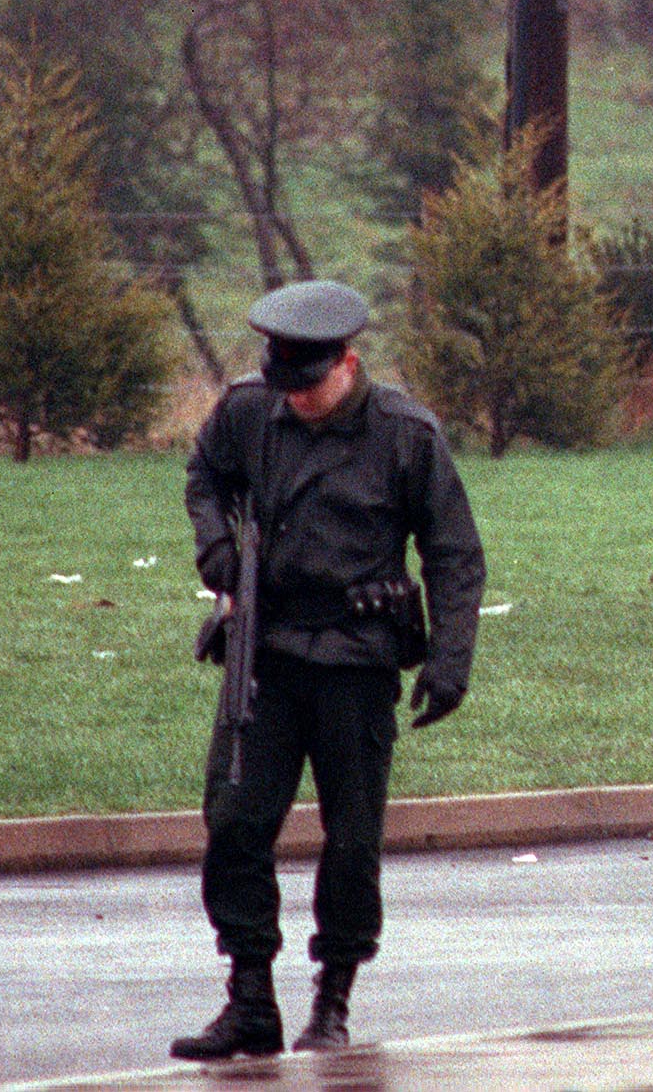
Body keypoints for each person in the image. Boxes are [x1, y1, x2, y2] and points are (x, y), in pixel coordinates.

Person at [171, 280, 486, 1059]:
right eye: (287, 383)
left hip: (356, 660)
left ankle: (333, 1002)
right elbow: (205, 472)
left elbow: (453, 553)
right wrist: (217, 551)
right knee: (236, 821)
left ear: (348, 361)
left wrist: (449, 661)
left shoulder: (406, 434)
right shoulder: (250, 409)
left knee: (352, 839)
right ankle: (249, 1001)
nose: (299, 399)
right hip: (267, 655)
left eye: (311, 384)